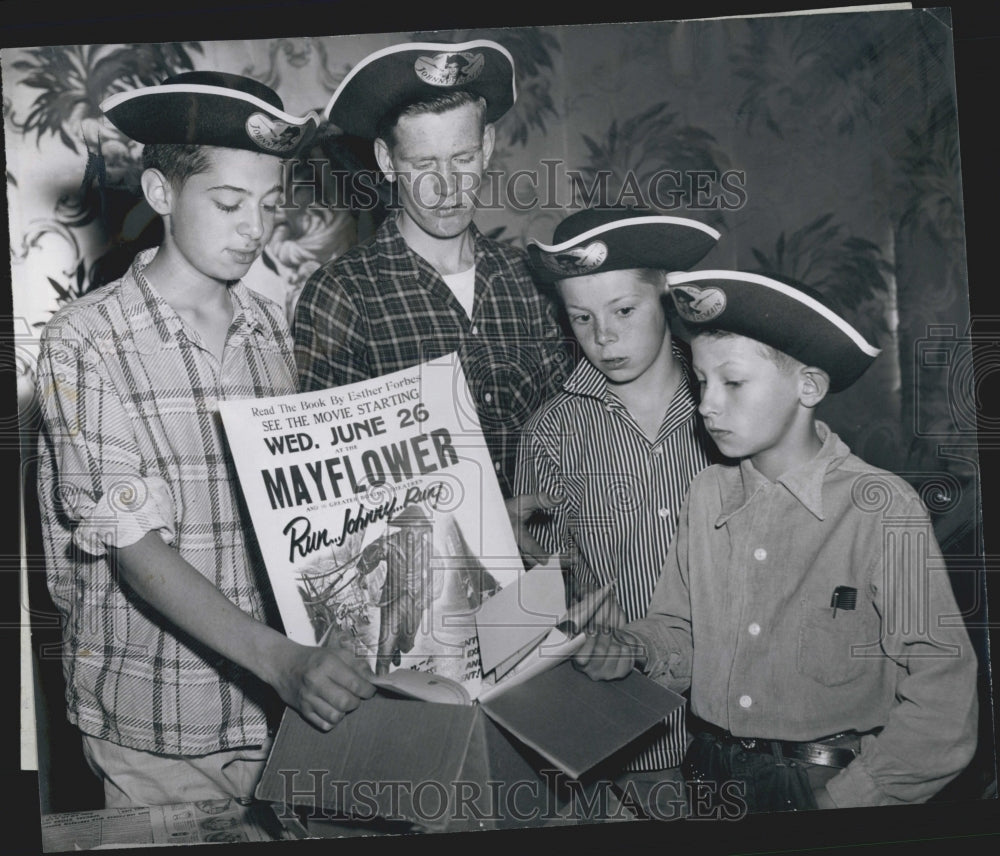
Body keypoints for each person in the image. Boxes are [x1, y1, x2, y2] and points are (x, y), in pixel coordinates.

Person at [35, 71, 376, 809]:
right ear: (161, 194)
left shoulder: (275, 329)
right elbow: (132, 544)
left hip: (281, 718)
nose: (255, 228)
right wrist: (281, 661)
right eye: (228, 203)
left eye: (269, 204)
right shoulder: (84, 342)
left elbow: (313, 506)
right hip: (155, 721)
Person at [573, 269, 979, 812]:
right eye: (701, 382)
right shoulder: (707, 492)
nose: (706, 405)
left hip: (824, 785)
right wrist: (636, 646)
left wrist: (844, 800)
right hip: (710, 780)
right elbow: (680, 629)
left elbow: (944, 700)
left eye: (733, 383)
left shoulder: (881, 508)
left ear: (808, 386)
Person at [293, 39, 573, 502]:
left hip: (549, 565)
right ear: (387, 161)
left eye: (462, 158)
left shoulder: (534, 281)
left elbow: (575, 436)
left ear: (486, 146)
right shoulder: (341, 295)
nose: (447, 186)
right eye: (424, 164)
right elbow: (333, 489)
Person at [515, 207, 720, 819]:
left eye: (624, 311)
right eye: (582, 318)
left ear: (667, 299)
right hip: (618, 743)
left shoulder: (729, 418)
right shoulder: (551, 434)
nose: (603, 336)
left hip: (732, 728)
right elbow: (536, 606)